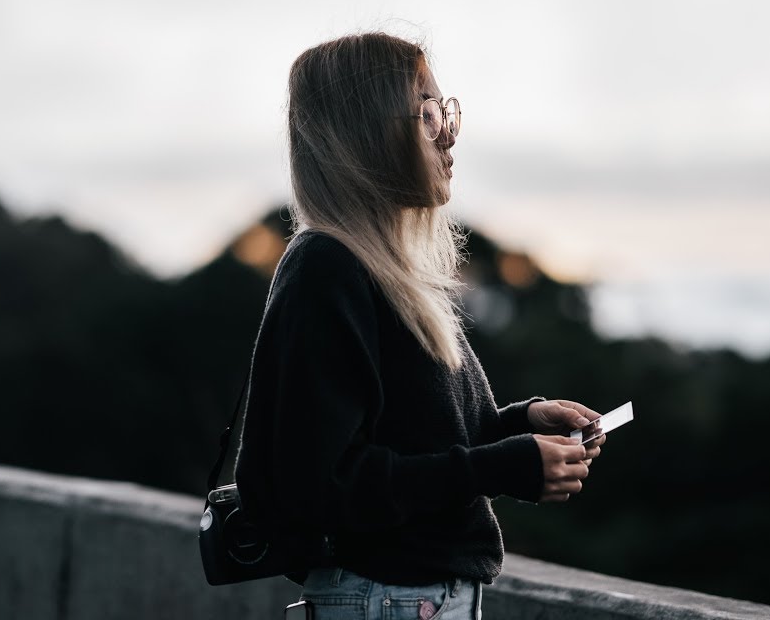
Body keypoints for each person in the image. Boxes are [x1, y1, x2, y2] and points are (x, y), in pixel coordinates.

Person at [234, 32, 605, 620]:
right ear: (368, 133)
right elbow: (323, 485)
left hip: (411, 601)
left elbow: (413, 443)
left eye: (446, 109)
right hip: (383, 601)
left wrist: (520, 425)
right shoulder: (326, 268)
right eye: (427, 113)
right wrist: (502, 465)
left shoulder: (385, 270)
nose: (449, 132)